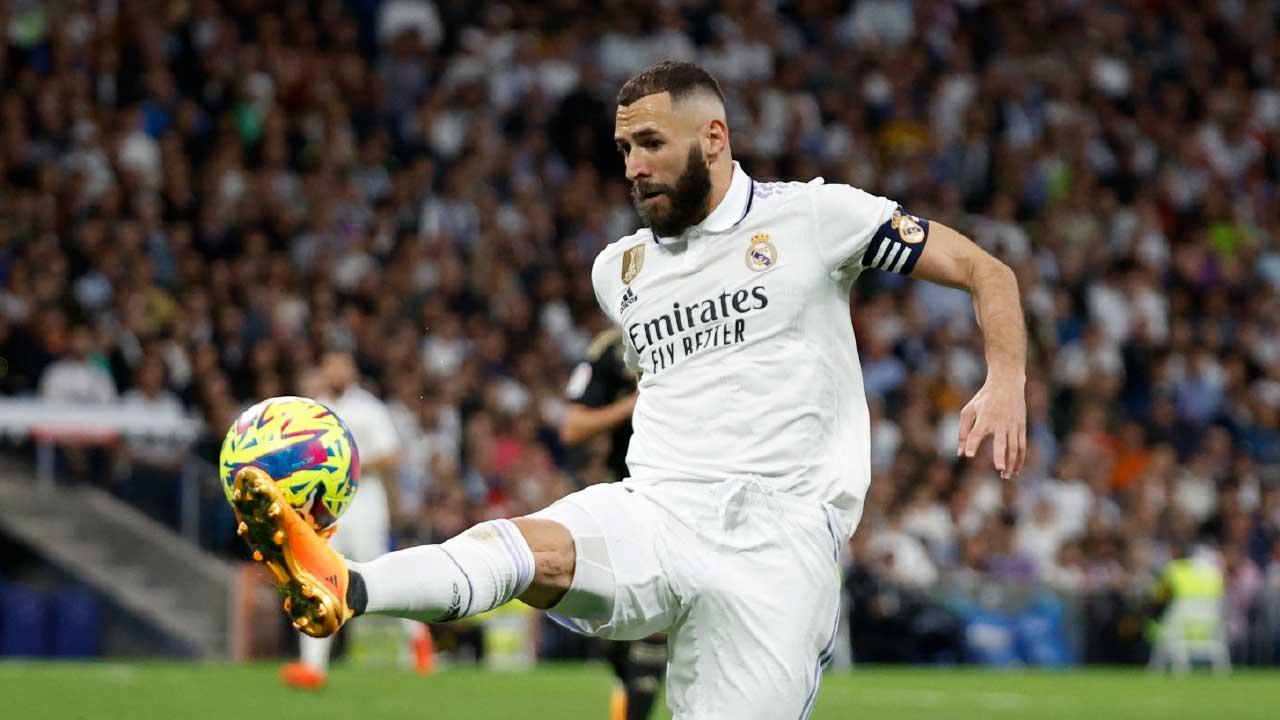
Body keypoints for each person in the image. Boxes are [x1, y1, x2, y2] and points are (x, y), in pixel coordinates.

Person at [231, 60, 1026, 717]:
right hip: (659, 509)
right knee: (525, 547)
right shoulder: (621, 271)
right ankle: (346, 583)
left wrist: (1005, 379)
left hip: (778, 545)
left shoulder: (816, 218)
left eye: (650, 143)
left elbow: (984, 270)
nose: (634, 166)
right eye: (623, 149)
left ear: (713, 138)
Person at [279, 353, 402, 690]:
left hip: (365, 505)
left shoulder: (369, 408)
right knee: (317, 578)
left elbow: (392, 455)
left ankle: (417, 637)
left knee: (380, 577)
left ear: (352, 371)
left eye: (341, 366)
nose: (335, 372)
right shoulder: (313, 409)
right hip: (325, 508)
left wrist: (347, 462)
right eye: (329, 367)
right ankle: (312, 666)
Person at [561, 329, 665, 720]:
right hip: (627, 494)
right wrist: (635, 404)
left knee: (653, 619)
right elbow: (573, 427)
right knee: (613, 624)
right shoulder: (613, 348)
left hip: (682, 491)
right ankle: (634, 685)